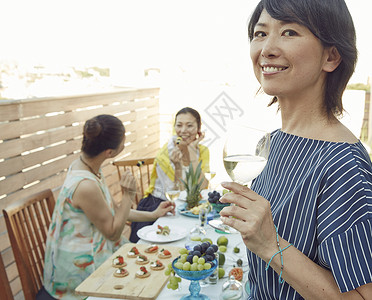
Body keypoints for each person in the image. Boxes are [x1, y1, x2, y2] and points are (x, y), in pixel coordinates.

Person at [219, 0, 372, 299]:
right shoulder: (272, 141)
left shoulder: (343, 164)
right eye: (260, 33)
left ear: (331, 56)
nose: (267, 49)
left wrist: (268, 243)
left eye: (288, 32)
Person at [38, 114, 175, 300]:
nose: (125, 142)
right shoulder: (86, 185)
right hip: (76, 276)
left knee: (160, 268)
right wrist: (128, 195)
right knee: (155, 280)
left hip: (93, 257)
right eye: (123, 140)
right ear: (109, 152)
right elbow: (113, 232)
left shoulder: (87, 167)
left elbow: (114, 213)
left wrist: (153, 214)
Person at [130, 107, 210, 242]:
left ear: (198, 129)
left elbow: (203, 186)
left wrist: (191, 153)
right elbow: (177, 192)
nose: (183, 130)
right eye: (179, 125)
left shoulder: (202, 150)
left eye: (189, 125)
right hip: (157, 206)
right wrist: (178, 166)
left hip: (185, 206)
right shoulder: (166, 153)